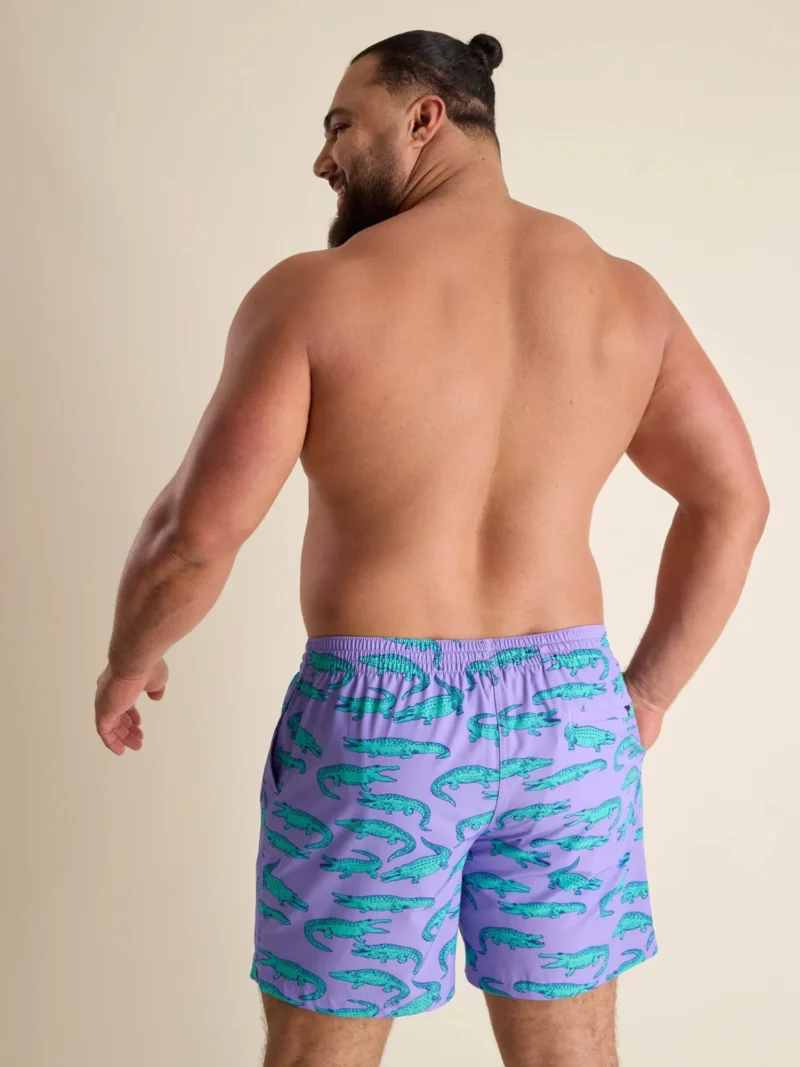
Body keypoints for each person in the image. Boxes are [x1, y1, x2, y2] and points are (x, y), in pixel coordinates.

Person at [94, 29, 769, 1067]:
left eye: (339, 126)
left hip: (381, 721)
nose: (322, 158)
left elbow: (195, 533)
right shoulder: (624, 295)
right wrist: (646, 694)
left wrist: (129, 656)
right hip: (570, 717)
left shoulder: (318, 292)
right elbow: (734, 499)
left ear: (424, 118)